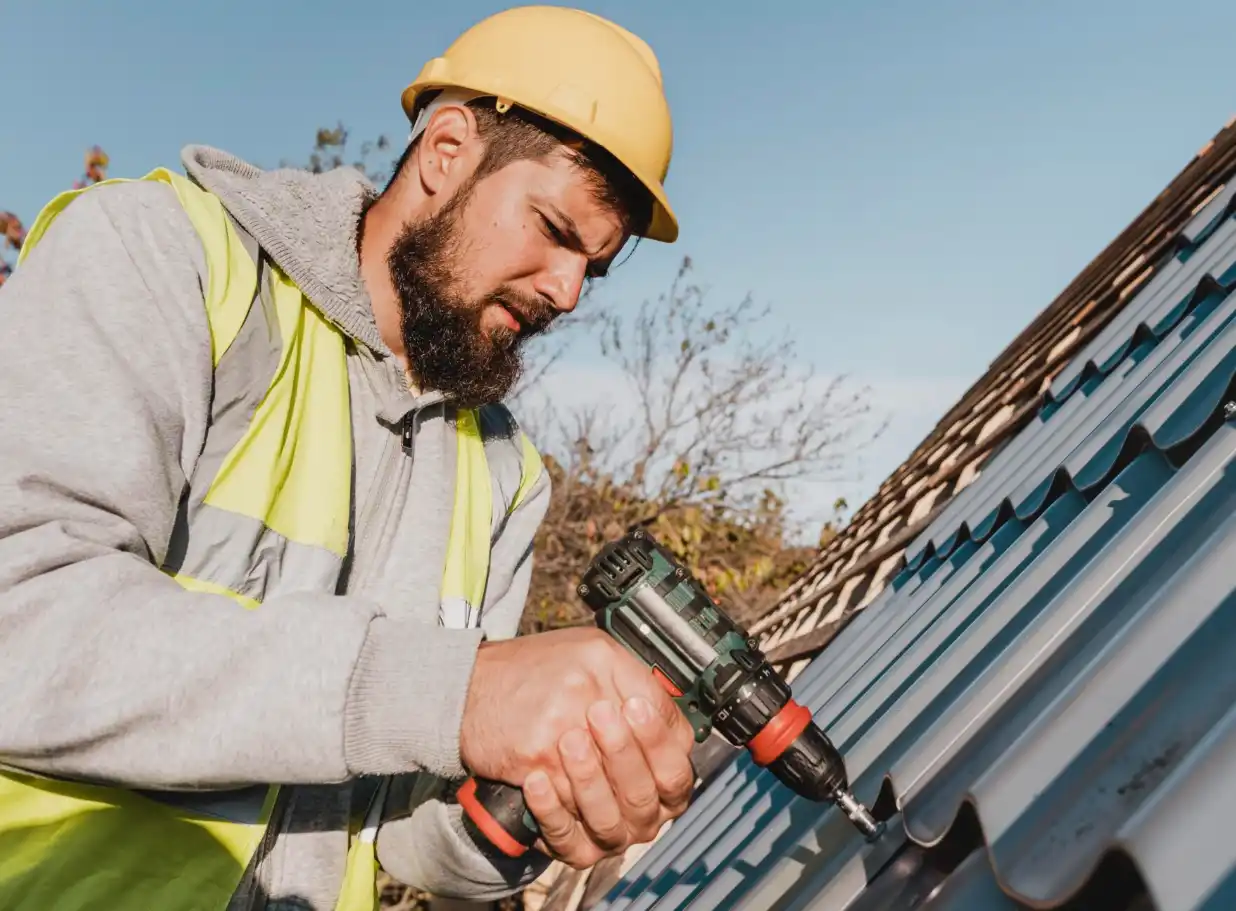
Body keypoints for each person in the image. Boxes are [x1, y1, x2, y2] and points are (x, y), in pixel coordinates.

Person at [0, 6, 696, 910]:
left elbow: (403, 834)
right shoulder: (167, 259)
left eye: (592, 268)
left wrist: (529, 809)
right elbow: (22, 622)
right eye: (556, 231)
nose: (567, 291)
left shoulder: (502, 474)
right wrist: (454, 693)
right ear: (447, 150)